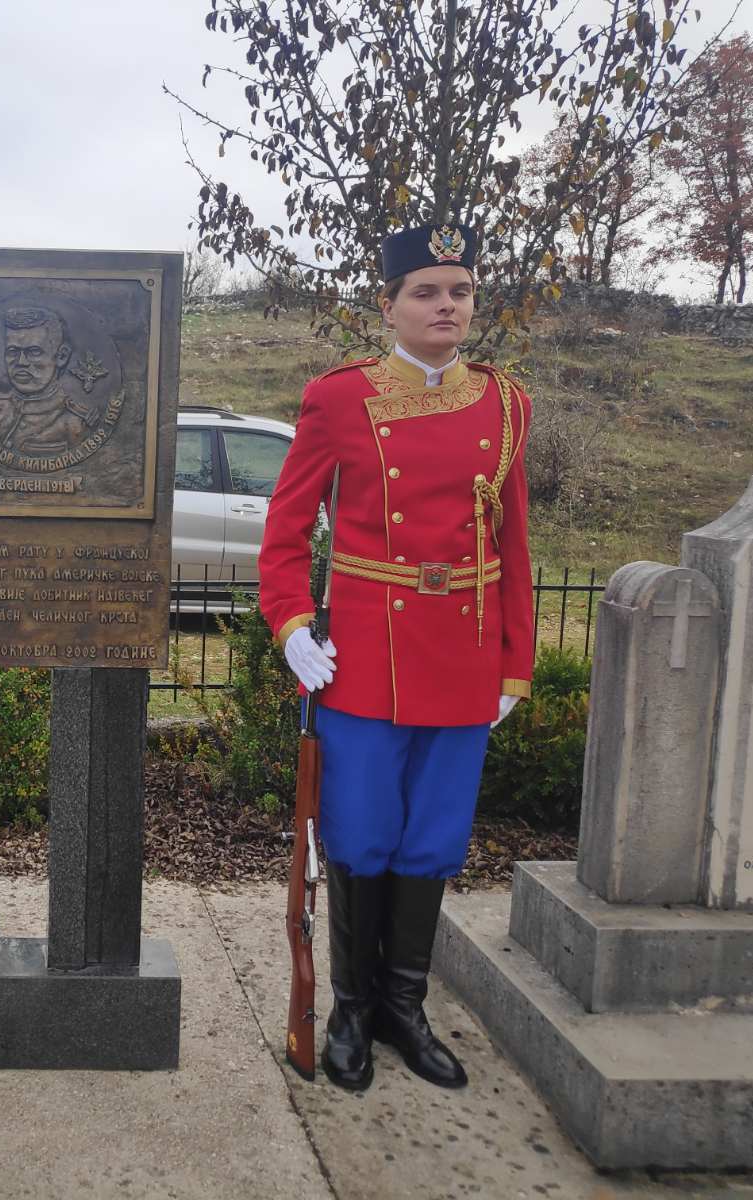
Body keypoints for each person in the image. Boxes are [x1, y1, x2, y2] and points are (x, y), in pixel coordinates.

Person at [257, 224, 534, 1092]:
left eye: (459, 290)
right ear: (389, 304)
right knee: (362, 833)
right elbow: (286, 529)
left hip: (463, 657)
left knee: (433, 840)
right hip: (366, 660)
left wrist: (514, 664)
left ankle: (403, 1009)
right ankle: (348, 1007)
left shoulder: (507, 405)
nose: (445, 304)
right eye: (426, 290)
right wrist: (294, 624)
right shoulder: (337, 399)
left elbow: (516, 547)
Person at [0, 306, 97, 457]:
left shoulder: (76, 423)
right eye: (13, 351)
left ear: (61, 357)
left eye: (34, 352)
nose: (21, 362)